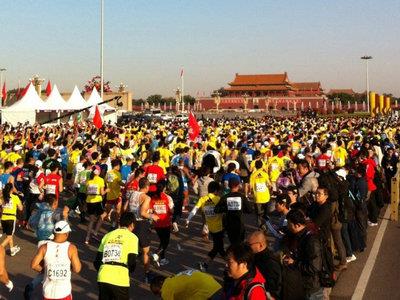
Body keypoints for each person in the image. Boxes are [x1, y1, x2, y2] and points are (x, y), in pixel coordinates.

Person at [31, 221, 82, 300]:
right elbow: (77, 269)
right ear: (66, 234)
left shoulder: (44, 247)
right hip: (64, 292)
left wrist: (45, 270)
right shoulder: (71, 248)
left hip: (48, 292)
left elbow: (34, 265)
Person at [94, 212, 139, 300]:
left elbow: (97, 261)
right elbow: (131, 261)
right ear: (132, 224)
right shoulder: (133, 237)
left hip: (103, 276)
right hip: (120, 278)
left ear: (120, 222)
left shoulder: (107, 235)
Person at [124, 177, 159, 283]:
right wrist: (152, 216)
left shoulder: (132, 194)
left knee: (130, 250)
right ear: (147, 187)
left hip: (131, 224)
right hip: (141, 224)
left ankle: (126, 271)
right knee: (145, 252)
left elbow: (126, 208)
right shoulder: (146, 197)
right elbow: (143, 213)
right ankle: (147, 274)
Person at [283, 209, 324, 300]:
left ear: (297, 225)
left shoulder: (311, 241)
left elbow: (314, 267)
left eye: (289, 224)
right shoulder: (298, 236)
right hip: (301, 284)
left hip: (311, 288)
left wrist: (294, 262)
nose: (288, 227)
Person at [186, 181, 225, 271]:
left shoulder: (202, 199)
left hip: (211, 228)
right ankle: (230, 263)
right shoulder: (218, 199)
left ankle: (205, 264)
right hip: (220, 228)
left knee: (217, 247)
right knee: (220, 248)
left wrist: (188, 219)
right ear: (216, 190)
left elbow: (194, 210)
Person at [214, 178, 253, 246]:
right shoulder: (242, 196)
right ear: (238, 185)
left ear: (229, 186)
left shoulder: (225, 197)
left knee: (233, 242)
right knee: (240, 243)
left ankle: (234, 254)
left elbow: (216, 210)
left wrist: (226, 208)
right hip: (239, 224)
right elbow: (249, 210)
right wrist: (241, 208)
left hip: (229, 225)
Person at [247, 231, 282, 299]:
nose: (247, 247)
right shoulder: (255, 256)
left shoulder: (270, 263)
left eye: (249, 244)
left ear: (260, 245)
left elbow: (274, 288)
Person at [150, 269, 222, 300]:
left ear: (159, 291)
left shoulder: (165, 289)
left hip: (207, 292)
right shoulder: (173, 279)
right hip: (215, 285)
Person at [150, 181, 174, 266]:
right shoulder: (168, 198)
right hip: (166, 223)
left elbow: (150, 211)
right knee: (165, 242)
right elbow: (171, 211)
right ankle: (156, 254)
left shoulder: (152, 198)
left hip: (156, 224)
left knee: (162, 241)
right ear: (164, 188)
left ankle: (163, 259)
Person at [85, 165, 108, 244]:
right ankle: (95, 232)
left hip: (89, 201)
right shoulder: (101, 180)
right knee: (103, 215)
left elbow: (86, 192)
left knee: (91, 220)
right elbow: (102, 193)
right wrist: (107, 190)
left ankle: (87, 238)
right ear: (99, 171)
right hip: (97, 201)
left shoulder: (89, 180)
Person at [1, 183, 23, 256]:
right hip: (11, 218)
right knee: (9, 236)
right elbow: (21, 208)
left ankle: (12, 249)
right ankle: (1, 248)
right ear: (11, 189)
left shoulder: (2, 197)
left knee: (9, 235)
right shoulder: (15, 197)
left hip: (3, 218)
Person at [249, 160, 271, 227]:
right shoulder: (265, 174)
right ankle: (266, 225)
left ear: (255, 166)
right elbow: (269, 185)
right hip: (266, 197)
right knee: (265, 214)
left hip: (257, 198)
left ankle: (261, 227)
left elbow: (250, 186)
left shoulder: (253, 175)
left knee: (258, 215)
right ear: (262, 166)